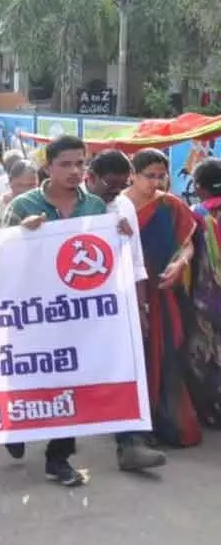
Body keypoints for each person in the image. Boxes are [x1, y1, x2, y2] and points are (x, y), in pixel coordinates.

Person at [1, 136, 128, 487]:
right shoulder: (24, 205)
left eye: (80, 164)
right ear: (48, 166)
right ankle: (17, 423)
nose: (74, 171)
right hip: (30, 312)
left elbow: (104, 259)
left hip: (75, 314)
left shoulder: (96, 209)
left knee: (71, 380)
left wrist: (121, 237)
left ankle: (59, 458)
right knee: (27, 375)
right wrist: (19, 235)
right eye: (66, 164)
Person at [83, 149, 169, 471]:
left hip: (115, 302)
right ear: (89, 177)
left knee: (125, 365)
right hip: (69, 307)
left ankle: (130, 444)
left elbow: (135, 263)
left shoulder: (123, 208)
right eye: (108, 186)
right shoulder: (74, 206)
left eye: (120, 187)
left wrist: (141, 308)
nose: (114, 193)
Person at [122, 148, 200, 448]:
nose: (155, 182)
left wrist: (179, 264)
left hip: (164, 292)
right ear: (133, 173)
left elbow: (187, 244)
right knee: (135, 359)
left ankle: (165, 421)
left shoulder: (170, 205)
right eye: (148, 176)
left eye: (160, 176)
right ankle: (133, 430)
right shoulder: (118, 207)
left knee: (166, 353)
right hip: (130, 293)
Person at [188, 158, 221, 427]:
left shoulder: (196, 214)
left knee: (206, 353)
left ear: (199, 188)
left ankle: (209, 410)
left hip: (207, 299)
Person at [0, 160, 38, 225]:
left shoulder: (46, 201)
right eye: (21, 185)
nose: (26, 190)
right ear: (10, 181)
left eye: (31, 185)